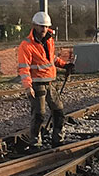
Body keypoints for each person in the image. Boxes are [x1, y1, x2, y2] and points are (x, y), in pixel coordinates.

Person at [18, 11, 74, 148]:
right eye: (41, 26)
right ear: (34, 26)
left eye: (46, 26)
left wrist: (64, 65)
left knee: (59, 111)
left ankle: (57, 139)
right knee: (39, 114)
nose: (44, 29)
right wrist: (27, 86)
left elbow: (51, 59)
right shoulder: (26, 45)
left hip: (49, 82)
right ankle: (35, 143)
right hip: (37, 84)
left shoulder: (49, 40)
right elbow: (24, 68)